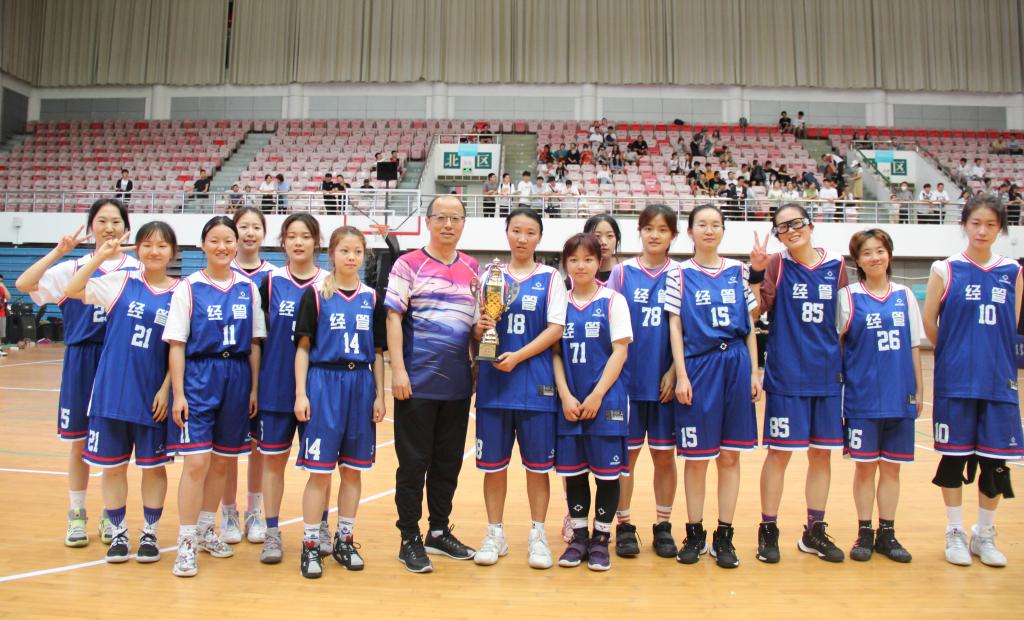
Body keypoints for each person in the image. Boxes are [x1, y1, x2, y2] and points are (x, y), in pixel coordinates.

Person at [15, 198, 139, 547]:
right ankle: (76, 513)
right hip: (82, 358)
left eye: (116, 221)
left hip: (119, 360)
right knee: (79, 442)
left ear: (126, 228)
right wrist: (59, 251)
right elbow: (24, 284)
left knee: (115, 443)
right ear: (90, 227)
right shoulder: (73, 268)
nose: (109, 228)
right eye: (102, 221)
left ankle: (111, 515)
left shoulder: (137, 269)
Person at [66, 222, 180, 563]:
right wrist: (99, 256)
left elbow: (181, 347)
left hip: (153, 396)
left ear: (173, 252)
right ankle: (118, 533)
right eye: (147, 244)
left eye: (162, 245)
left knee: (153, 468)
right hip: (112, 391)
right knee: (113, 468)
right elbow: (73, 289)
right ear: (138, 249)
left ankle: (150, 533)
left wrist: (166, 389)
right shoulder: (121, 282)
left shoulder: (182, 292)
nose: (154, 251)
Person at [923, 196, 1023, 567]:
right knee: (954, 460)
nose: (982, 231)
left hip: (998, 381)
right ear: (964, 224)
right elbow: (930, 321)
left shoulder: (1012, 271)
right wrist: (953, 354)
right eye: (976, 223)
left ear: (1000, 229)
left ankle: (985, 533)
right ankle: (954, 531)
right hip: (956, 381)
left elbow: (1011, 324)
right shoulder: (945, 269)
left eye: (991, 225)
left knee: (995, 462)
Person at [164, 215, 266, 577]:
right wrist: (179, 393)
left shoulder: (248, 288)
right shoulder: (188, 288)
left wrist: (253, 387)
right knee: (196, 463)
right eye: (215, 241)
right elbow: (176, 344)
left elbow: (255, 342)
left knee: (223, 461)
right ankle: (186, 541)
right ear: (203, 245)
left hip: (236, 375)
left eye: (228, 241)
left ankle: (207, 530)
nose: (222, 247)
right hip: (199, 376)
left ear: (236, 245)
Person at [750, 203, 849, 564]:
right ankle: (768, 529)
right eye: (782, 227)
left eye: (796, 223)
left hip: (827, 374)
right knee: (779, 454)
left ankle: (814, 531)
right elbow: (753, 311)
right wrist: (756, 273)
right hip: (787, 374)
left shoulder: (836, 265)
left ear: (810, 224)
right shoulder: (776, 264)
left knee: (821, 455)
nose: (791, 230)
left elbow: (844, 320)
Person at [386, 195, 479, 573]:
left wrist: (482, 338)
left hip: (457, 385)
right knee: (413, 465)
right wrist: (398, 370)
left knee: (447, 464)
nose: (448, 224)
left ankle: (438, 531)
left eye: (455, 218)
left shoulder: (473, 268)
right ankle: (409, 536)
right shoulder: (408, 264)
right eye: (441, 217)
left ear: (464, 224)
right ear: (428, 221)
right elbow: (393, 318)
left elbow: (473, 326)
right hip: (417, 383)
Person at [471, 208, 567, 569]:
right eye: (516, 231)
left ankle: (537, 535)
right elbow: (476, 329)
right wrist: (482, 327)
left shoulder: (550, 278)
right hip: (494, 385)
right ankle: (494, 533)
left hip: (535, 384)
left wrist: (519, 357)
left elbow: (555, 329)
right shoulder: (489, 278)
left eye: (530, 232)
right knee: (493, 467)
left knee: (537, 468)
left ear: (539, 237)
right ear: (506, 233)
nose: (522, 238)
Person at [666, 204, 760, 569]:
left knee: (730, 456)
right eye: (702, 224)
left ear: (723, 230)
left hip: (735, 361)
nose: (709, 230)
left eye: (716, 224)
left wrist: (754, 372)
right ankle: (694, 533)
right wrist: (682, 374)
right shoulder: (679, 273)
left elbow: (750, 326)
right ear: (690, 232)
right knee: (696, 457)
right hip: (699, 364)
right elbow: (675, 326)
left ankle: (725, 535)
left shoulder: (738, 270)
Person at [292, 226, 386, 578]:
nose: (351, 257)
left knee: (352, 470)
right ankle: (310, 544)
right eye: (345, 250)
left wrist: (379, 395)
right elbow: (302, 349)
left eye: (357, 252)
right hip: (324, 382)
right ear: (331, 253)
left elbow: (378, 353)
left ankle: (345, 539)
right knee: (319, 473)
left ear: (364, 256)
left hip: (360, 383)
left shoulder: (372, 298)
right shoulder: (315, 295)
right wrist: (301, 393)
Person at [839, 229, 923, 563]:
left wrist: (919, 390)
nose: (875, 257)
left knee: (891, 469)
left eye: (880, 250)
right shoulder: (847, 297)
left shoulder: (905, 295)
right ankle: (864, 532)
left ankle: (887, 533)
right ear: (857, 261)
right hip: (862, 398)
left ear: (889, 254)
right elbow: (838, 347)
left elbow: (914, 346)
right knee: (864, 469)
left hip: (899, 394)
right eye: (867, 253)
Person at [553, 232, 632, 571]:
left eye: (588, 259)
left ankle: (601, 539)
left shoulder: (613, 300)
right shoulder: (559, 303)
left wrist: (598, 394)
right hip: (570, 400)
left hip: (606, 400)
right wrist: (565, 394)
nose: (581, 266)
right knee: (574, 474)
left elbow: (620, 350)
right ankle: (580, 537)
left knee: (607, 475)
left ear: (600, 262)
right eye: (573, 260)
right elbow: (555, 354)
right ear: (565, 264)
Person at [606, 205, 680, 559]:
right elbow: (607, 324)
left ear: (673, 236)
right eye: (649, 228)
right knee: (627, 459)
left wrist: (675, 371)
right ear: (640, 231)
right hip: (628, 384)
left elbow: (687, 330)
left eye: (663, 229)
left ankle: (663, 525)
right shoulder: (621, 273)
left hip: (665, 384)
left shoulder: (680, 274)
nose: (655, 235)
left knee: (665, 458)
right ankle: (624, 525)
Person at [254, 215, 327, 566]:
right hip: (275, 386)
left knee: (321, 466)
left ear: (316, 241)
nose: (299, 242)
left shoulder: (328, 284)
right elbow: (257, 340)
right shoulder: (270, 283)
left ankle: (321, 526)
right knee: (273, 462)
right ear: (283, 241)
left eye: (305, 236)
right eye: (292, 236)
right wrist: (255, 387)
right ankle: (271, 531)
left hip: (320, 388)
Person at [221, 207, 276, 545]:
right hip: (227, 369)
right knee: (227, 447)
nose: (250, 233)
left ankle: (255, 510)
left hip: (264, 368)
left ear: (264, 234)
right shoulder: (220, 271)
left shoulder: (274, 277)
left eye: (256, 227)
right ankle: (228, 511)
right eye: (244, 226)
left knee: (258, 446)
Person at [583, 214, 622, 284]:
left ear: (617, 239)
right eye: (597, 236)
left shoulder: (623, 276)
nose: (604, 242)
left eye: (610, 236)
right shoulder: (576, 278)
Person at [0, 274, 8, 356]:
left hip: (1, 313)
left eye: (2, 281)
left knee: (1, 334)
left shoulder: (2, 288)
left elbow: (8, 297)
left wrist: (3, 286)